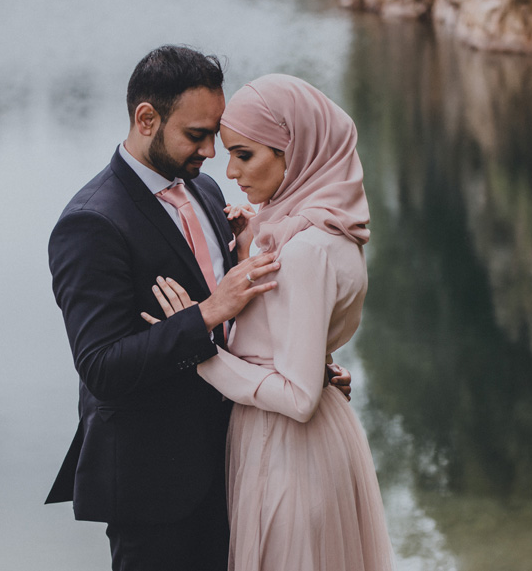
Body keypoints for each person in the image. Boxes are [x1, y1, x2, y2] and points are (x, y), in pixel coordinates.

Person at [45, 46, 350, 571]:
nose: (212, 152)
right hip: (154, 488)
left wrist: (304, 372)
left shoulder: (206, 192)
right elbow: (101, 367)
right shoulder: (91, 223)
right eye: (197, 135)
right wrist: (204, 314)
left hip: (238, 464)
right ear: (146, 118)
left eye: (216, 133)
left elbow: (241, 327)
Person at [145, 74, 394, 570]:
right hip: (303, 441)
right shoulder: (327, 225)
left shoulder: (304, 249)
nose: (229, 170)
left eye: (245, 154)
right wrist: (246, 240)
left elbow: (299, 398)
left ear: (293, 152)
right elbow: (297, 336)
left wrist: (201, 353)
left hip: (287, 451)